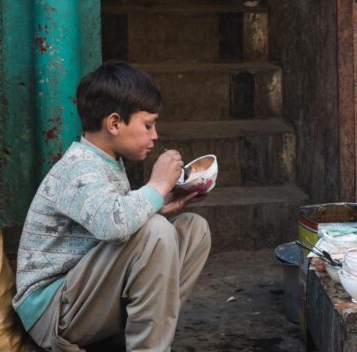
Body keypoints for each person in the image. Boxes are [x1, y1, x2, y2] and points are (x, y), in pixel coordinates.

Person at [13, 61, 211, 351]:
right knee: (156, 232)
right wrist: (156, 187)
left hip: (82, 299)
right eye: (148, 125)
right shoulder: (79, 168)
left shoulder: (107, 161)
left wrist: (161, 204)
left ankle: (139, 332)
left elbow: (107, 224)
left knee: (194, 229)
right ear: (115, 123)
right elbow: (112, 225)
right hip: (52, 312)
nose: (155, 135)